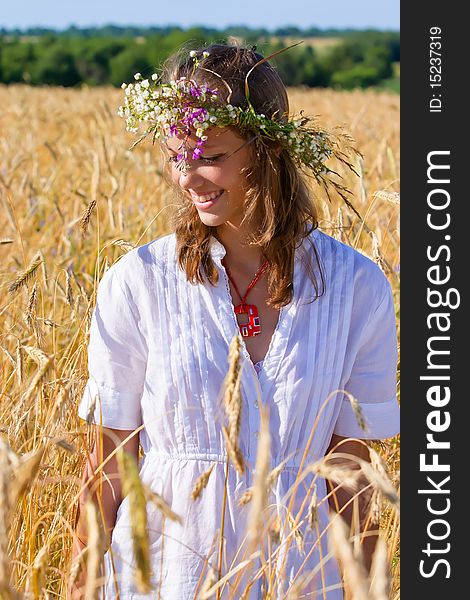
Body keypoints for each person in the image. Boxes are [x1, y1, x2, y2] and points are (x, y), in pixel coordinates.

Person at [72, 42, 400, 599]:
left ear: (266, 148)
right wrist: (79, 586)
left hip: (297, 578)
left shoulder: (357, 288)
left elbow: (351, 480)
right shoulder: (139, 281)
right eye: (176, 156)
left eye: (207, 156)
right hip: (163, 579)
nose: (187, 179)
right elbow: (108, 468)